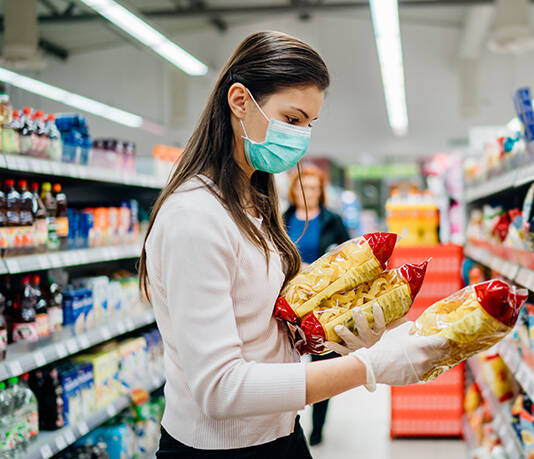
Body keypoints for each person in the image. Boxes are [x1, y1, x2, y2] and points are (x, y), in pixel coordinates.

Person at [139, 31, 448, 458]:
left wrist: (346, 328)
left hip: (280, 433)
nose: (302, 138)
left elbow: (261, 325)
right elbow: (220, 388)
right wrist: (367, 368)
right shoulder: (194, 217)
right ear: (240, 101)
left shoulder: (253, 202)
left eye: (309, 124)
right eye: (292, 119)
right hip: (220, 450)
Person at [283, 166, 349, 446]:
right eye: (302, 187)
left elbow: (348, 258)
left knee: (322, 364)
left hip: (323, 304)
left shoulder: (333, 220)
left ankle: (317, 426)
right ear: (293, 190)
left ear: (320, 192)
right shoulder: (281, 218)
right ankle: (288, 421)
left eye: (313, 188)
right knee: (287, 363)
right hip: (288, 303)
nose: (307, 193)